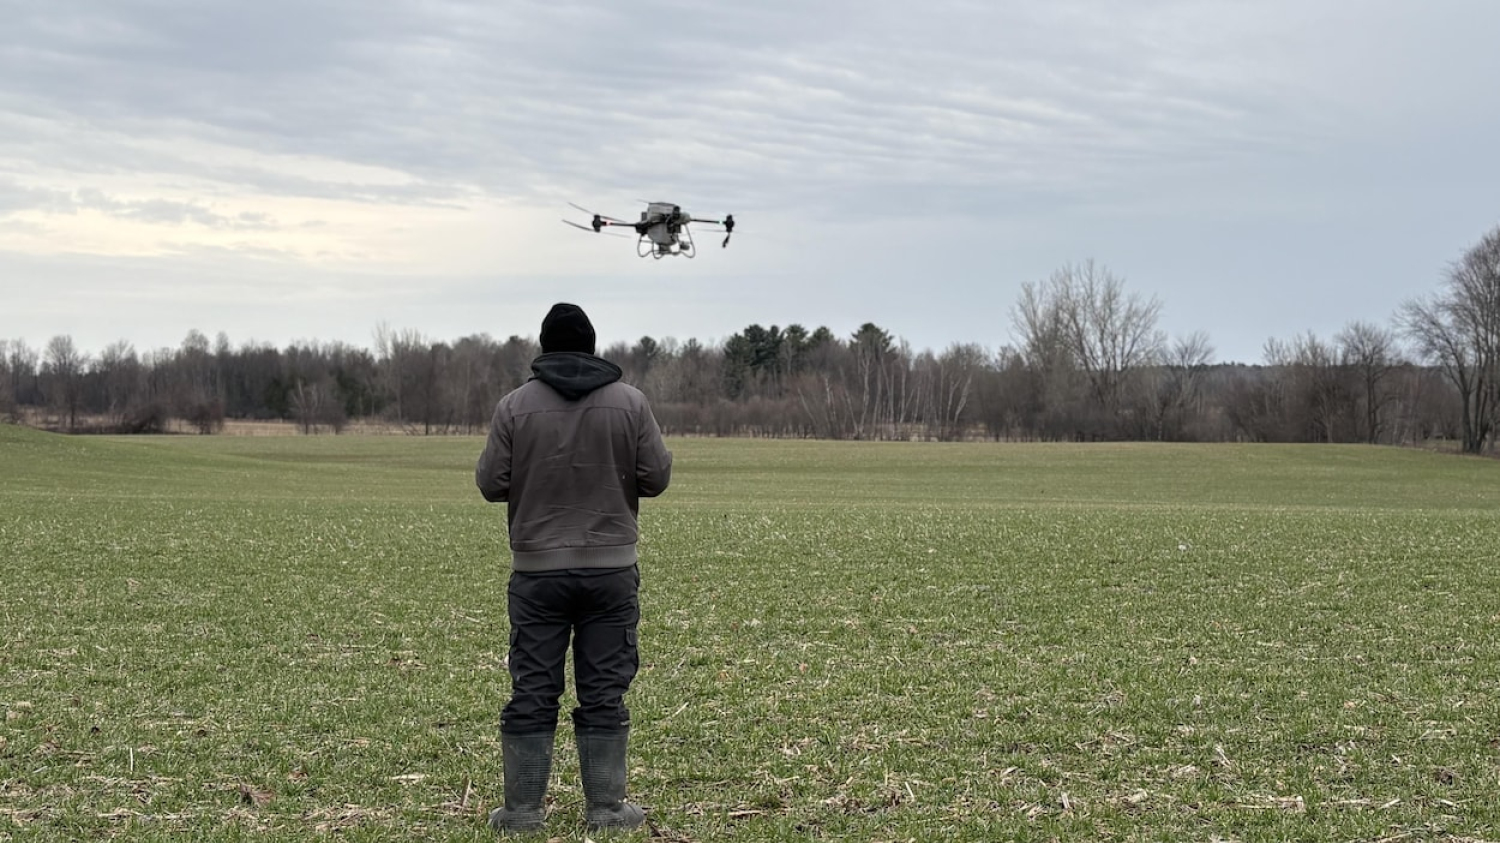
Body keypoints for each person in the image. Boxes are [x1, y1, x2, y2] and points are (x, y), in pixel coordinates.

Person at [475, 302, 673, 833]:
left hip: (536, 570)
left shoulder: (513, 407)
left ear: (543, 348)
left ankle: (521, 811)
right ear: (591, 346)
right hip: (611, 570)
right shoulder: (631, 404)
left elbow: (491, 483)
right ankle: (607, 810)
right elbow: (655, 477)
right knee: (604, 687)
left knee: (533, 687)